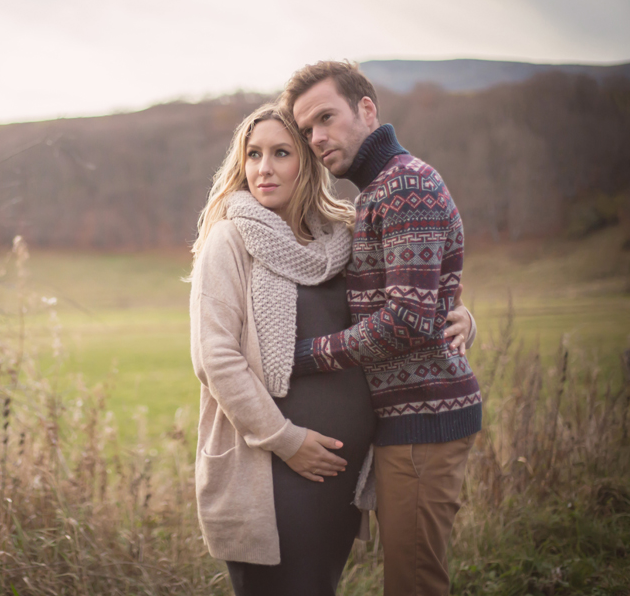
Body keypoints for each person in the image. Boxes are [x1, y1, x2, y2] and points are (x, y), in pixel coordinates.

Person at [188, 102, 475, 596]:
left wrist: (461, 317)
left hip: (340, 473)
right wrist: (286, 440)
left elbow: (405, 301)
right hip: (271, 466)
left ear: (307, 160)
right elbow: (215, 358)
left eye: (280, 153)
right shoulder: (229, 241)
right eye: (252, 154)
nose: (263, 168)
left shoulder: (344, 235)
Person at [282, 61, 482, 596]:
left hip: (423, 418)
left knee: (414, 582)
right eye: (305, 131)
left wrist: (301, 355)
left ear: (367, 109)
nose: (317, 138)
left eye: (326, 117)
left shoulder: (403, 185)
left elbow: (407, 322)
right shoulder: (377, 191)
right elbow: (429, 301)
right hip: (407, 417)